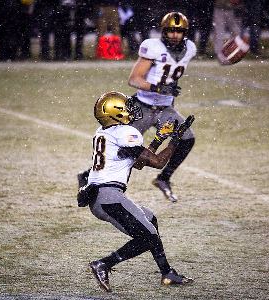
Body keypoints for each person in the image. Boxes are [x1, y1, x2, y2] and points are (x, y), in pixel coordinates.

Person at [78, 91, 194, 292]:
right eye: (125, 107)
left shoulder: (104, 132)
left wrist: (159, 138)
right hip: (109, 196)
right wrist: (175, 139)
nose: (131, 110)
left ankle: (167, 273)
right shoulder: (124, 133)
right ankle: (103, 264)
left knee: (150, 220)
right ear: (115, 113)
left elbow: (138, 162)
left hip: (102, 196)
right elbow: (157, 163)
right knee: (148, 236)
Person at [127, 11, 197, 202]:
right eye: (171, 30)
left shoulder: (190, 48)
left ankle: (164, 178)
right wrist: (158, 87)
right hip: (142, 106)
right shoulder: (153, 47)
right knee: (124, 148)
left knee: (187, 138)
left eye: (179, 31)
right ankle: (91, 176)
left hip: (165, 109)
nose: (175, 35)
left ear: (185, 32)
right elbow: (134, 79)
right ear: (163, 31)